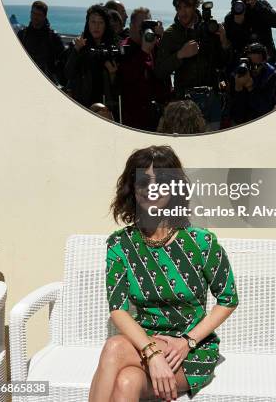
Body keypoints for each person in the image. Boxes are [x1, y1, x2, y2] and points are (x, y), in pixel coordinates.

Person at [89, 146, 239, 402]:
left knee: (114, 347)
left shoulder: (201, 242)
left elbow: (228, 299)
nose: (152, 188)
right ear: (132, 188)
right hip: (143, 344)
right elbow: (118, 309)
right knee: (126, 382)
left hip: (191, 351)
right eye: (144, 182)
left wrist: (188, 341)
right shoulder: (120, 244)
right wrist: (152, 353)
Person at [155, 0, 231, 130]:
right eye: (179, 7)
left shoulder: (210, 28)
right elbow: (159, 71)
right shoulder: (171, 34)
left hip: (212, 100)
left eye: (186, 6)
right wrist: (180, 55)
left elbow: (224, 64)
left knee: (212, 147)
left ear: (195, 6)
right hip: (184, 105)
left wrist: (224, 42)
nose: (182, 12)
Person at [117, 7, 171, 131]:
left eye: (148, 24)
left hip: (156, 116)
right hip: (135, 117)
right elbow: (127, 77)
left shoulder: (155, 45)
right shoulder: (124, 47)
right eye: (142, 24)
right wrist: (144, 52)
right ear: (131, 26)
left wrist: (162, 38)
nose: (145, 28)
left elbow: (164, 72)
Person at [64, 4, 119, 116]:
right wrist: (76, 50)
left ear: (106, 25)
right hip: (82, 105)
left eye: (100, 22)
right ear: (87, 24)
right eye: (93, 22)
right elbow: (67, 74)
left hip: (105, 108)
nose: (96, 26)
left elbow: (119, 89)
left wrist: (113, 74)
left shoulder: (112, 48)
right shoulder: (79, 45)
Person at [224, 0, 276, 65]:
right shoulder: (230, 18)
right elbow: (233, 44)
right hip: (244, 65)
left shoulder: (261, 6)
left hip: (267, 63)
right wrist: (237, 23)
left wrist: (257, 5)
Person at [17, 0, 65, 84]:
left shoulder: (53, 37)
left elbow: (63, 60)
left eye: (38, 15)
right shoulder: (22, 34)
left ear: (44, 16)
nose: (35, 17)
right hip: (25, 79)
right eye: (33, 13)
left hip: (46, 81)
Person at [231, 42, 276, 124]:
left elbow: (264, 107)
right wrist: (238, 87)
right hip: (240, 119)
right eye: (252, 65)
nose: (255, 69)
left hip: (260, 119)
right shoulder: (239, 72)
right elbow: (233, 104)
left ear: (264, 63)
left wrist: (250, 87)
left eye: (257, 66)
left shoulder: (270, 74)